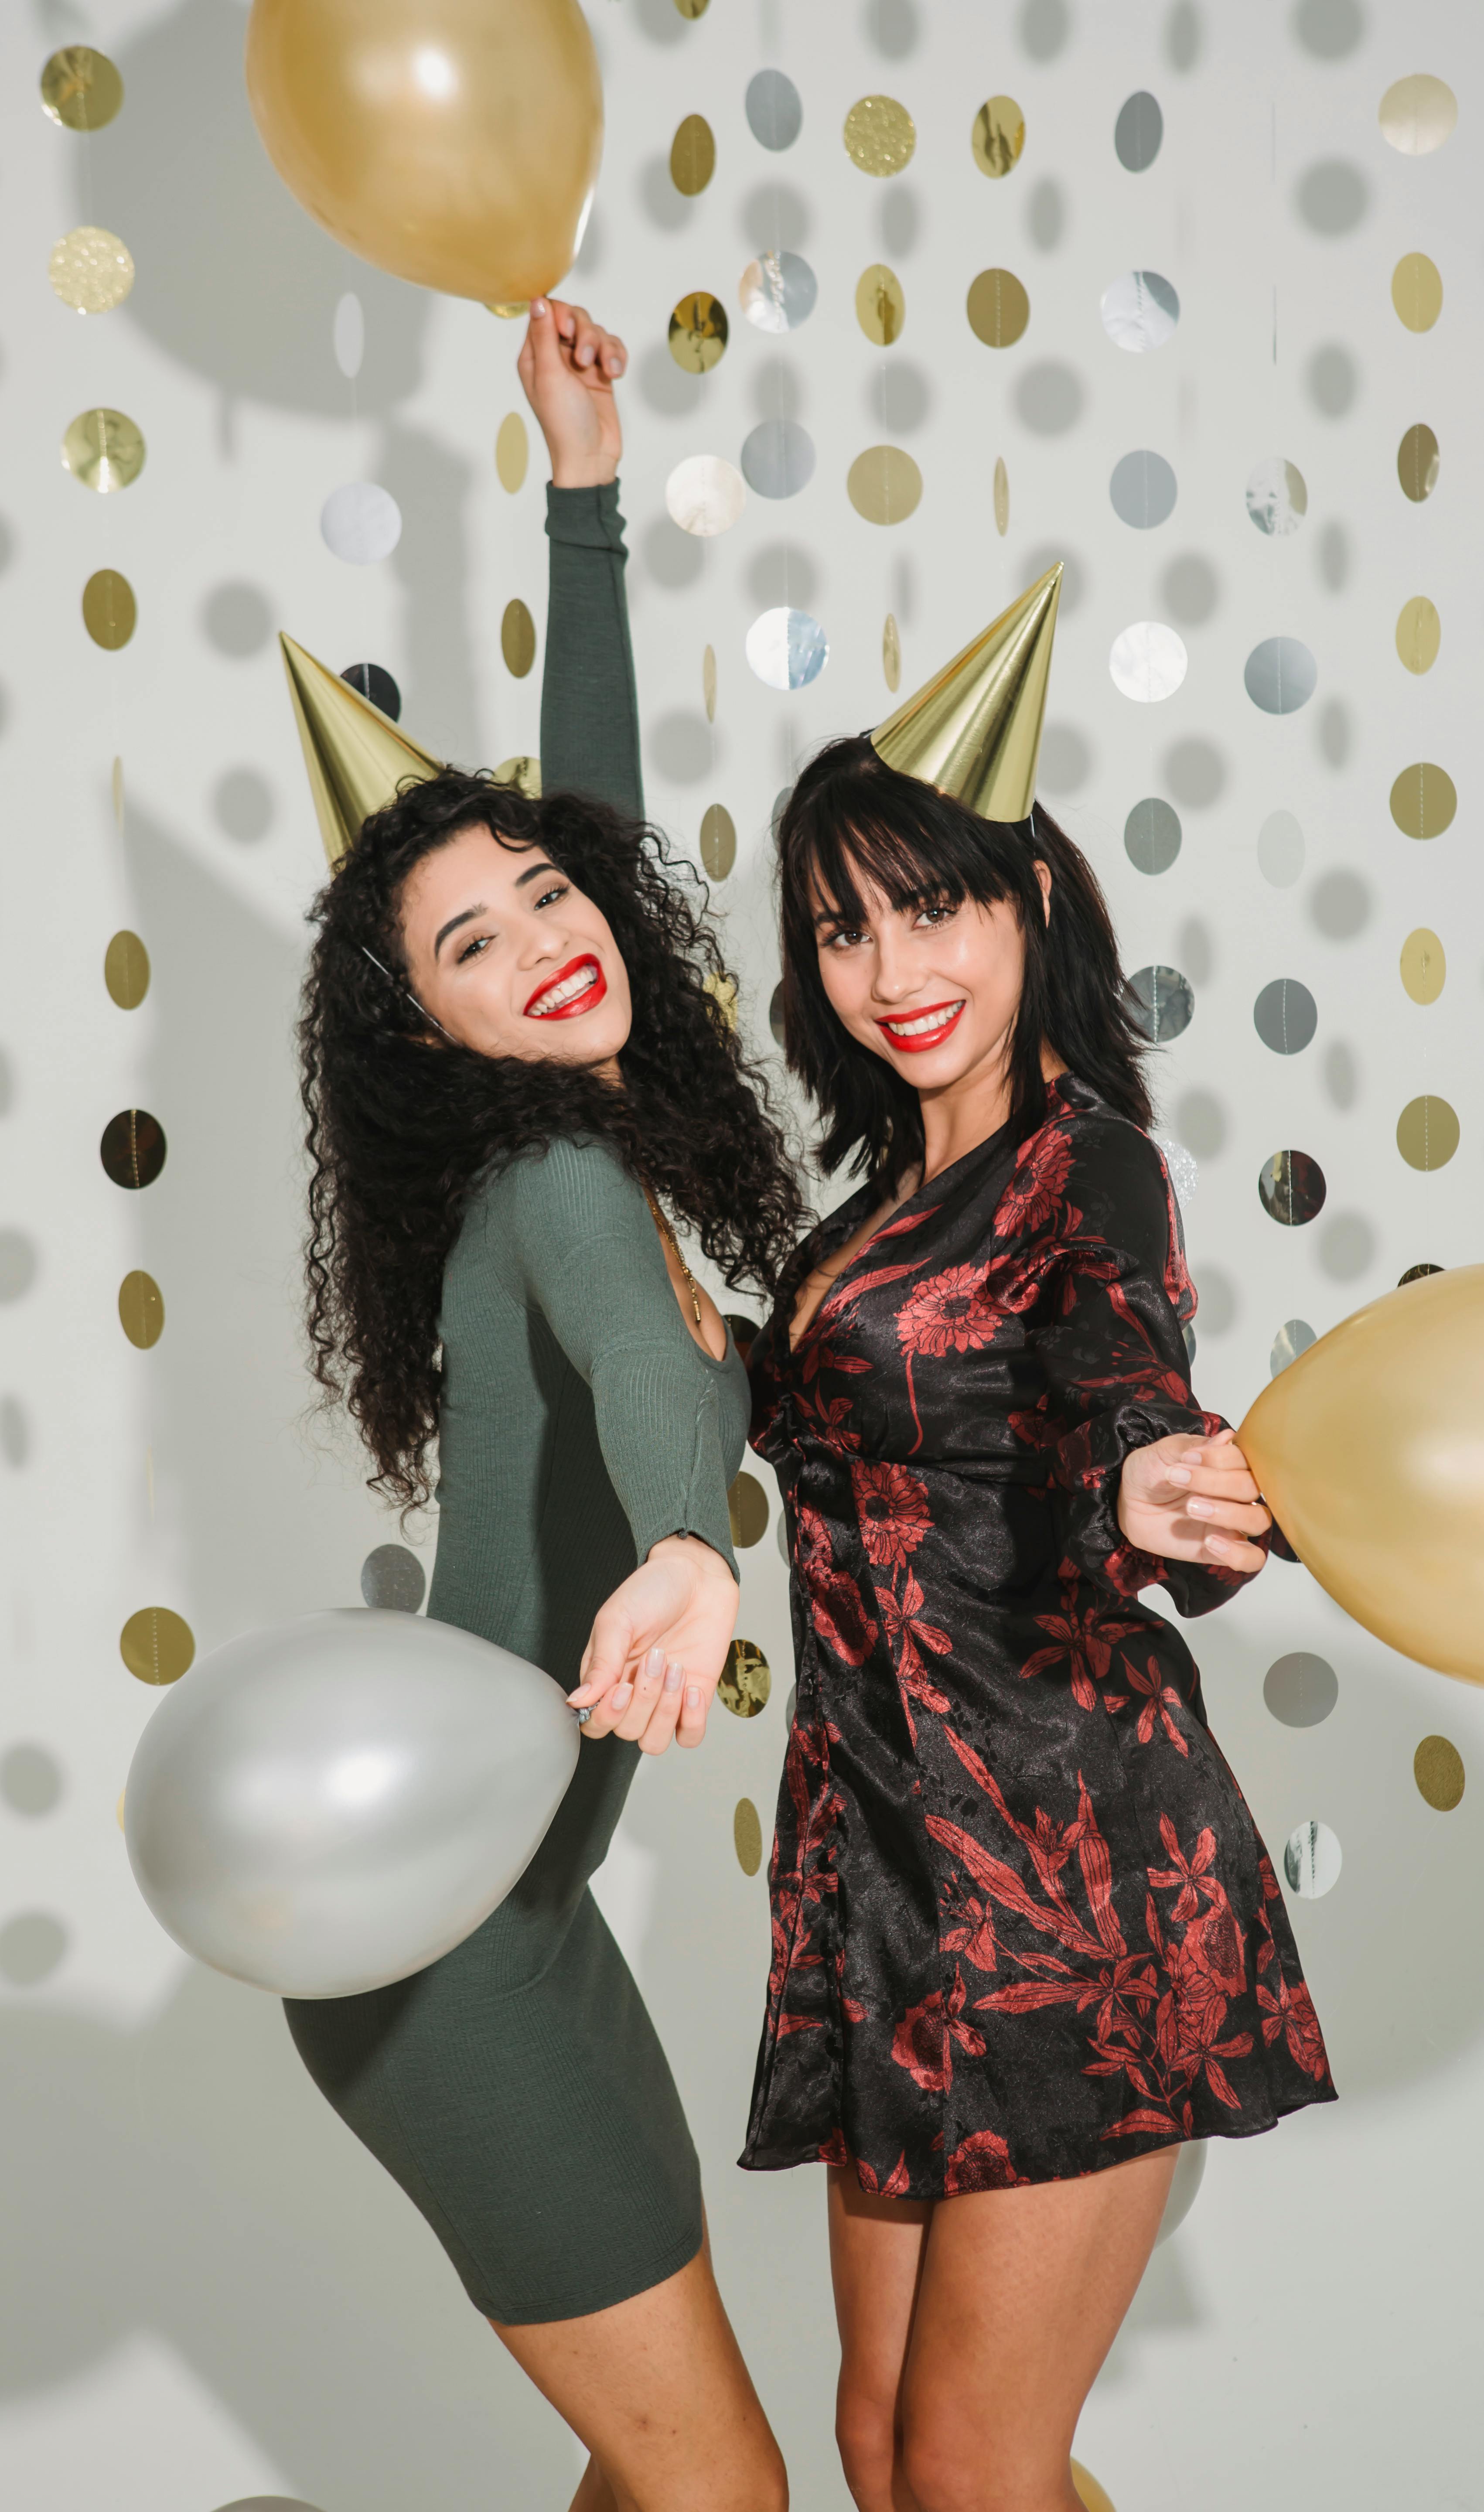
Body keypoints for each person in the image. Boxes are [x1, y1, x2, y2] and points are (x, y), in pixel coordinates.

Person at [741, 573, 1334, 2512]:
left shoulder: (1090, 1162)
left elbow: (1116, 1361)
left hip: (1066, 1873)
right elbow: (853, 1441)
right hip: (886, 1869)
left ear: (1039, 907)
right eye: (841, 927)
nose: (887, 965)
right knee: (879, 2451)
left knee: (977, 2467)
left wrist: (1160, 1478)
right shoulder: (862, 1218)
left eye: (934, 905)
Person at [288, 300, 795, 2512]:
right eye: (468, 949)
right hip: (451, 1953)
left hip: (519, 1920)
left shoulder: (626, 1157)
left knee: (651, 2477)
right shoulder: (564, 1184)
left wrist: (586, 489)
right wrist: (695, 1546)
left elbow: (605, 820)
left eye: (546, 900)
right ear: (428, 1042)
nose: (541, 938)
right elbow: (634, 1388)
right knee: (722, 2495)